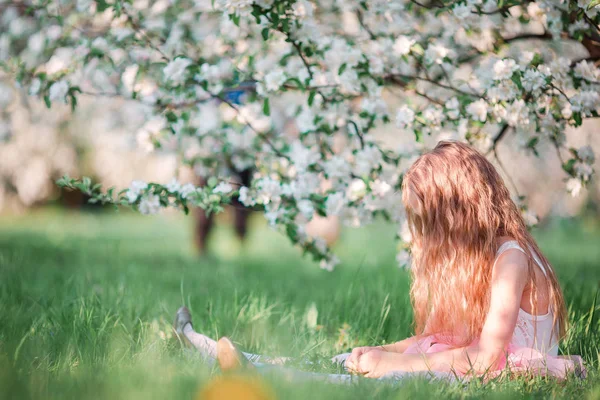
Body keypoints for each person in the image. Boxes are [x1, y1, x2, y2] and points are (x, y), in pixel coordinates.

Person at [173, 141, 585, 382]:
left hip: (488, 365)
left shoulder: (510, 259)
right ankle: (230, 354)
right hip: (455, 357)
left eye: (433, 224)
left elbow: (485, 358)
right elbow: (443, 335)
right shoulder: (479, 258)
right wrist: (386, 349)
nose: (428, 237)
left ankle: (262, 372)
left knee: (347, 380)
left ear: (461, 212)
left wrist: (396, 364)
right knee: (347, 361)